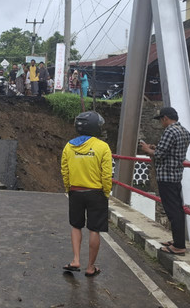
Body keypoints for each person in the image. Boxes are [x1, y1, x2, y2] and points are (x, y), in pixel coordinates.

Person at [61, 111, 111, 277]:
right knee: (94, 229)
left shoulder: (69, 146)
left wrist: (68, 188)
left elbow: (65, 170)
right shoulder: (102, 147)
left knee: (76, 226)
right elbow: (106, 174)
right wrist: (106, 192)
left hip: (75, 191)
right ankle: (90, 267)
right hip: (96, 193)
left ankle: (76, 260)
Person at [140, 107, 190, 255]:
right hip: (176, 175)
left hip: (166, 176)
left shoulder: (169, 131)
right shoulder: (185, 132)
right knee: (177, 209)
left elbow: (160, 155)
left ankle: (179, 246)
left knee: (172, 210)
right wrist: (156, 148)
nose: (161, 123)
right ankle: (177, 240)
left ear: (165, 118)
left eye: (161, 120)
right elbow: (172, 152)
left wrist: (147, 149)